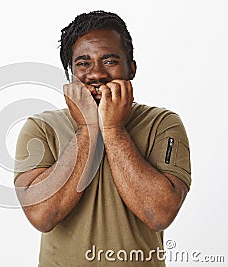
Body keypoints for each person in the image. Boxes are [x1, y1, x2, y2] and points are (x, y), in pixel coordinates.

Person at [13, 10, 191, 266]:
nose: (96, 74)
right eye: (83, 63)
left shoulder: (162, 124)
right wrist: (88, 129)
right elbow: (42, 217)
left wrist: (113, 130)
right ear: (70, 74)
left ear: (132, 68)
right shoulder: (41, 128)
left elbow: (160, 214)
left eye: (109, 61)